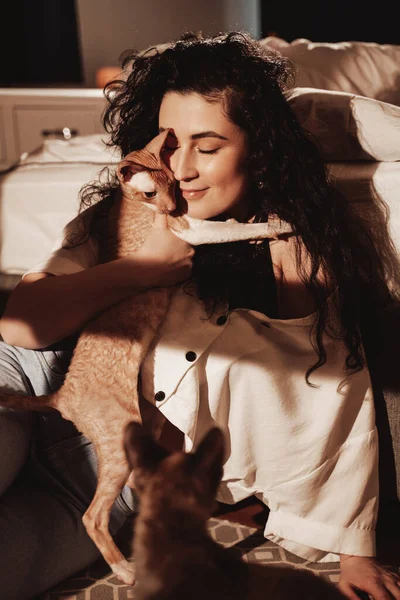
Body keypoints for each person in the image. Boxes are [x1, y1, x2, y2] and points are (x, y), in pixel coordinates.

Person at [0, 31, 399, 600]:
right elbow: (20, 328)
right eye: (168, 141)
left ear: (258, 149)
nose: (180, 167)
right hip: (31, 384)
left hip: (111, 485)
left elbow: (333, 388)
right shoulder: (130, 212)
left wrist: (354, 550)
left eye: (207, 147)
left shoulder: (292, 247)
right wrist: (144, 269)